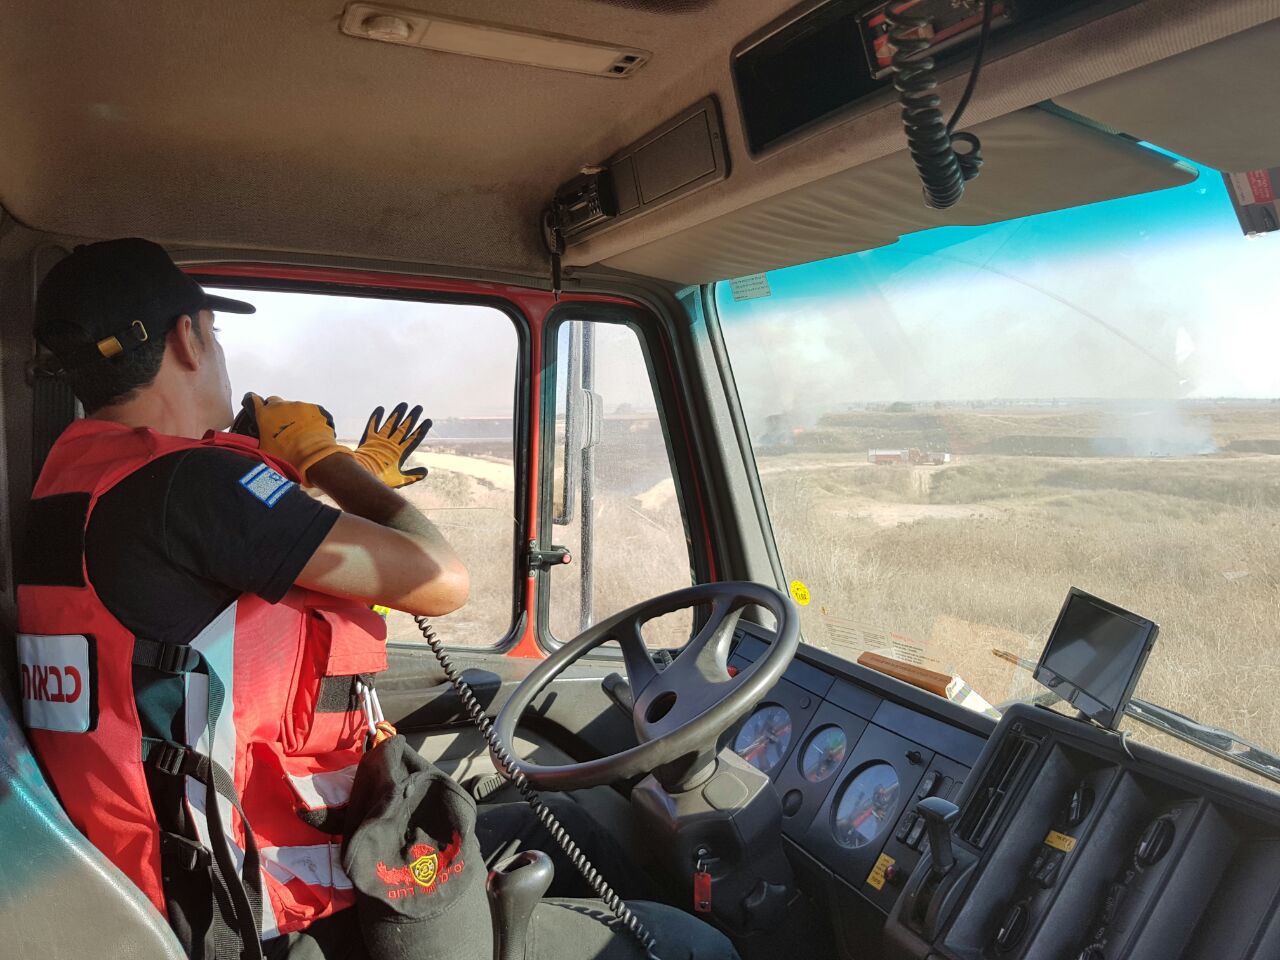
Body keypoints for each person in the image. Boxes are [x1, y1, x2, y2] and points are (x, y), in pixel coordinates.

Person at [18, 239, 738, 960]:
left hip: (181, 875)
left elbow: (209, 581)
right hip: (269, 905)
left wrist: (326, 482)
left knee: (573, 828)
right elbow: (439, 577)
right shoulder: (192, 486)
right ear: (189, 335)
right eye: (217, 334)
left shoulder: (73, 486)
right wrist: (323, 459)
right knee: (689, 945)